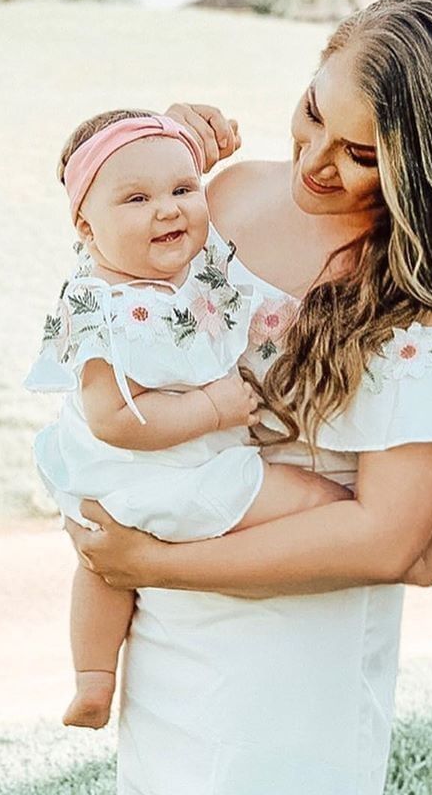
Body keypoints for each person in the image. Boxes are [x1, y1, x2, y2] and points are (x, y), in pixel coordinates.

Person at [66, 0, 432, 795]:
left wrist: (145, 561)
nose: (319, 162)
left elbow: (397, 543)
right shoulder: (223, 197)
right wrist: (156, 149)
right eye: (315, 112)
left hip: (295, 647)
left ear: (430, 162)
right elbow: (109, 297)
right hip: (170, 629)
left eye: (364, 154)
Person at [25, 110, 360, 728]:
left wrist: (185, 135)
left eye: (183, 191)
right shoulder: (100, 306)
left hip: (124, 494)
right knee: (321, 498)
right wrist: (212, 408)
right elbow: (114, 420)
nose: (168, 210)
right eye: (137, 199)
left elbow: (147, 165)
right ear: (85, 226)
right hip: (175, 475)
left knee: (100, 570)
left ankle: (94, 683)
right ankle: (92, 676)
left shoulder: (189, 271)